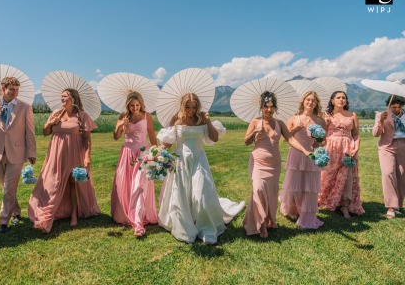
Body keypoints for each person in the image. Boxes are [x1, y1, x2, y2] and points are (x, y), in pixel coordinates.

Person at [158, 93, 245, 244]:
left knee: (200, 193)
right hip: (181, 160)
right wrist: (158, 153)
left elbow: (214, 138)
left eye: (194, 106)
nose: (191, 110)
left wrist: (208, 121)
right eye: (187, 106)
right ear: (182, 105)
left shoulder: (201, 119)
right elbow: (168, 142)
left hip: (198, 159)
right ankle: (185, 225)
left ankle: (206, 228)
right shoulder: (175, 119)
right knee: (182, 194)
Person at [28, 89, 100, 232]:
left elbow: (87, 139)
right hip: (56, 153)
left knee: (73, 183)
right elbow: (45, 132)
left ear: (73, 98)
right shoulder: (56, 113)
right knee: (52, 182)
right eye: (61, 96)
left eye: (65, 96)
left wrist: (87, 156)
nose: (62, 98)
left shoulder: (82, 116)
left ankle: (74, 214)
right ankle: (48, 212)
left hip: (74, 153)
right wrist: (50, 123)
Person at [243, 91, 312, 238]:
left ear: (275, 108)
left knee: (271, 193)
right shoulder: (255, 122)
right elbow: (246, 141)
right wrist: (254, 133)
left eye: (272, 106)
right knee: (258, 189)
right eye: (266, 106)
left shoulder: (279, 123)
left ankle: (268, 221)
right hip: (258, 163)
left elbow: (291, 140)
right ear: (261, 107)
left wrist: (305, 151)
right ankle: (259, 225)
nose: (269, 109)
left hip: (274, 164)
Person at [0, 76, 37, 232]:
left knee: (8, 188)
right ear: (3, 89)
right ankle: (16, 212)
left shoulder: (25, 107)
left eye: (17, 90)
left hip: (16, 152)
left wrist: (32, 152)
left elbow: (30, 132)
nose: (15, 92)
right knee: (6, 187)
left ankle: (3, 220)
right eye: (12, 89)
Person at [110, 92, 158, 236]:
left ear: (141, 104)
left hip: (143, 153)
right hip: (127, 153)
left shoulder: (147, 116)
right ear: (128, 105)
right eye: (132, 105)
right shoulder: (123, 116)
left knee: (140, 185)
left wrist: (155, 152)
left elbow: (151, 134)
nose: (135, 108)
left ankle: (138, 221)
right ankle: (125, 213)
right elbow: (116, 137)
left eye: (137, 105)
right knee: (126, 184)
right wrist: (120, 126)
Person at [279, 91, 326, 229]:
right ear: (303, 102)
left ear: (316, 103)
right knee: (295, 185)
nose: (310, 102)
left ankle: (307, 215)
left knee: (310, 186)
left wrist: (318, 142)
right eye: (308, 100)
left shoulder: (320, 120)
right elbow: (285, 138)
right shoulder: (294, 118)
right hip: (296, 154)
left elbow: (322, 140)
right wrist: (295, 129)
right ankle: (293, 209)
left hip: (312, 154)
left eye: (313, 100)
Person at [319, 91, 364, 218]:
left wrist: (356, 147)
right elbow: (321, 135)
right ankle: (326, 199)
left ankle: (345, 205)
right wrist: (325, 122)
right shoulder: (326, 115)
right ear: (332, 100)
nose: (341, 99)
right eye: (338, 97)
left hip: (347, 148)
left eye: (343, 97)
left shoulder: (352, 115)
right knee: (327, 174)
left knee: (347, 176)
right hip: (331, 147)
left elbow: (355, 134)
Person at [372, 95, 405, 219]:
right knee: (388, 172)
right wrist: (380, 121)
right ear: (389, 105)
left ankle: (398, 204)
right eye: (394, 106)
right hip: (386, 147)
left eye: (399, 107)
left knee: (402, 175)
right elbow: (375, 134)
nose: (397, 109)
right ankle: (391, 206)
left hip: (403, 146)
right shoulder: (382, 115)